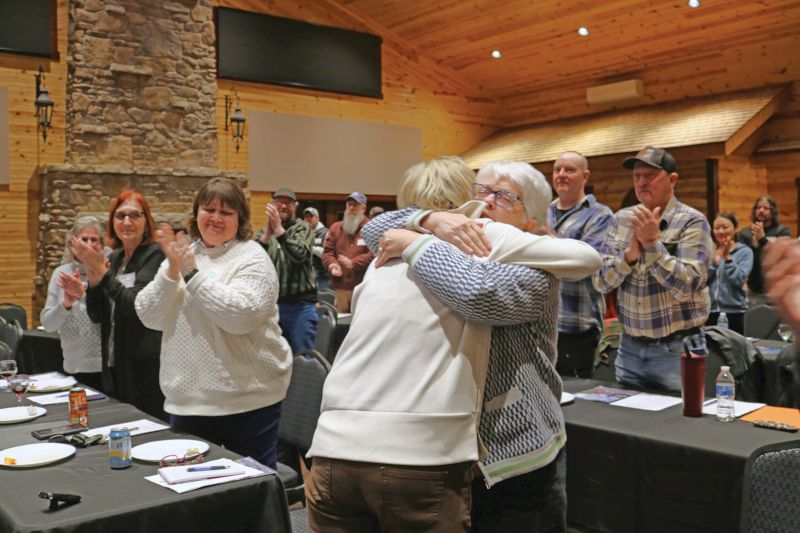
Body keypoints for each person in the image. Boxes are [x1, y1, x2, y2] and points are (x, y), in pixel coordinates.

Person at [307, 157, 600, 532]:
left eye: (506, 196)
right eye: (482, 191)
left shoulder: (528, 269)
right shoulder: (428, 248)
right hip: (447, 456)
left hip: (519, 452)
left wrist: (415, 242)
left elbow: (479, 293)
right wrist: (425, 223)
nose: (488, 202)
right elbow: (380, 226)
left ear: (534, 223)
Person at [135, 178, 292, 469]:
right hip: (189, 401)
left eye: (226, 212)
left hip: (248, 401)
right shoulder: (182, 256)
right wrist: (171, 270)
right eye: (209, 209)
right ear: (196, 215)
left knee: (249, 493)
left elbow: (240, 317)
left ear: (240, 218)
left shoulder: (252, 258)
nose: (216, 218)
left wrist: (191, 273)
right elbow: (148, 315)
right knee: (191, 497)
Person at [594, 146, 712, 392]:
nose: (642, 182)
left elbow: (688, 285)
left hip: (676, 350)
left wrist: (651, 244)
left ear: (672, 179)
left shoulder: (692, 221)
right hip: (628, 349)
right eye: (637, 176)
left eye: (650, 175)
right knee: (628, 425)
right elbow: (600, 282)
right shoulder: (621, 219)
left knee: (678, 427)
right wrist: (629, 257)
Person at [73, 190, 166, 420]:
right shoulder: (114, 259)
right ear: (113, 222)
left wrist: (102, 274)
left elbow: (136, 306)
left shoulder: (155, 256)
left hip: (145, 365)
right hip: (115, 362)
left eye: (135, 215)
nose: (127, 222)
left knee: (148, 431)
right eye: (120, 215)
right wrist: (94, 284)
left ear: (147, 222)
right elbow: (98, 316)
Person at [547, 151, 613, 378]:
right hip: (541, 325)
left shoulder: (600, 215)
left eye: (569, 170)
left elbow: (585, 265)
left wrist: (542, 244)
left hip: (576, 326)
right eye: (557, 170)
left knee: (576, 403)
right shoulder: (543, 212)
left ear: (585, 176)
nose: (562, 175)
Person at [40, 216, 106, 391]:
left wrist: (82, 294)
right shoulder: (60, 274)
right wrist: (66, 305)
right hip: (72, 368)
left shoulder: (108, 273)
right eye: (84, 239)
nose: (89, 244)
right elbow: (48, 325)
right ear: (72, 244)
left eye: (94, 240)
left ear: (101, 246)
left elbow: (107, 315)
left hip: (105, 368)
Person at [256, 187, 317, 353]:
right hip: (269, 306)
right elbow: (254, 263)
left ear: (295, 206)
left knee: (302, 358)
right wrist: (267, 234)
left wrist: (278, 230)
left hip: (299, 306)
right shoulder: (262, 233)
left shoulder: (303, 227)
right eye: (279, 202)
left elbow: (300, 255)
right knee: (270, 357)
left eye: (288, 203)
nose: (283, 206)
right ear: (272, 205)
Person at [736, 195, 792, 306]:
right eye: (758, 207)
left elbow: (781, 258)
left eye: (766, 208)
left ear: (773, 211)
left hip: (776, 292)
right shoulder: (744, 234)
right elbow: (741, 261)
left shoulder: (783, 231)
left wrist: (762, 240)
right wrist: (754, 247)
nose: (761, 211)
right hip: (753, 292)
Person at [322, 192, 373, 313]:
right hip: (341, 288)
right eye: (349, 204)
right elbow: (328, 253)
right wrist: (332, 264)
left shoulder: (372, 228)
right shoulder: (335, 228)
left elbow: (375, 254)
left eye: (355, 205)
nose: (351, 208)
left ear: (363, 208)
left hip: (363, 288)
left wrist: (353, 263)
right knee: (341, 327)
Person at [707, 212, 753, 334]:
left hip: (734, 312)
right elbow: (700, 280)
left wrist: (727, 259)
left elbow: (739, 280)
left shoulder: (744, 252)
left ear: (735, 228)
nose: (721, 231)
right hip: (709, 312)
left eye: (725, 227)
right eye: (716, 228)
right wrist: (714, 264)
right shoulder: (708, 251)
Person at [303, 206, 330, 290]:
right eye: (306, 217)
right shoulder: (303, 233)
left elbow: (327, 254)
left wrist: (310, 248)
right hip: (307, 275)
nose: (308, 219)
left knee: (323, 300)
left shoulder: (326, 232)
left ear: (317, 218)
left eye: (311, 216)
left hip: (322, 275)